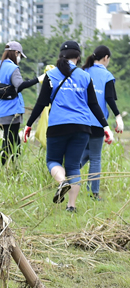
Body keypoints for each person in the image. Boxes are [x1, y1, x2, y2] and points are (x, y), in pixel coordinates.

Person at [23, 40, 113, 213]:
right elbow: (94, 105)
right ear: (78, 57)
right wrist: (106, 127)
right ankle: (71, 206)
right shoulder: (85, 76)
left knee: (53, 161)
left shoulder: (51, 75)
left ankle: (62, 182)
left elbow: (41, 103)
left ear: (61, 56)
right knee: (73, 166)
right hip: (82, 128)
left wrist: (28, 125)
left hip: (59, 126)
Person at [0, 41, 40, 182]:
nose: (20, 58)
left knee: (16, 142)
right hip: (12, 113)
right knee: (8, 145)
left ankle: (15, 173)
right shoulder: (13, 68)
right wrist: (38, 80)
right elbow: (20, 86)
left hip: (1, 114)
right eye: (20, 55)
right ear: (16, 53)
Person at [80, 45, 124, 201]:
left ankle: (66, 173)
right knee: (95, 158)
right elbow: (109, 99)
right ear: (106, 58)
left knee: (85, 153)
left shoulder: (84, 72)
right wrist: (118, 117)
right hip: (98, 122)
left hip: (81, 121)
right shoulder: (107, 76)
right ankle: (93, 194)